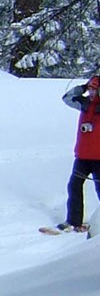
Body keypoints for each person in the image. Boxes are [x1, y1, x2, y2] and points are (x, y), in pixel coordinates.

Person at [57, 74, 100, 232]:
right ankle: (73, 221)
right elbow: (67, 98)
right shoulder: (85, 104)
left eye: (93, 89)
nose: (90, 92)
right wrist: (82, 88)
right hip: (82, 156)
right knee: (74, 186)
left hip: (99, 158)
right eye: (89, 89)